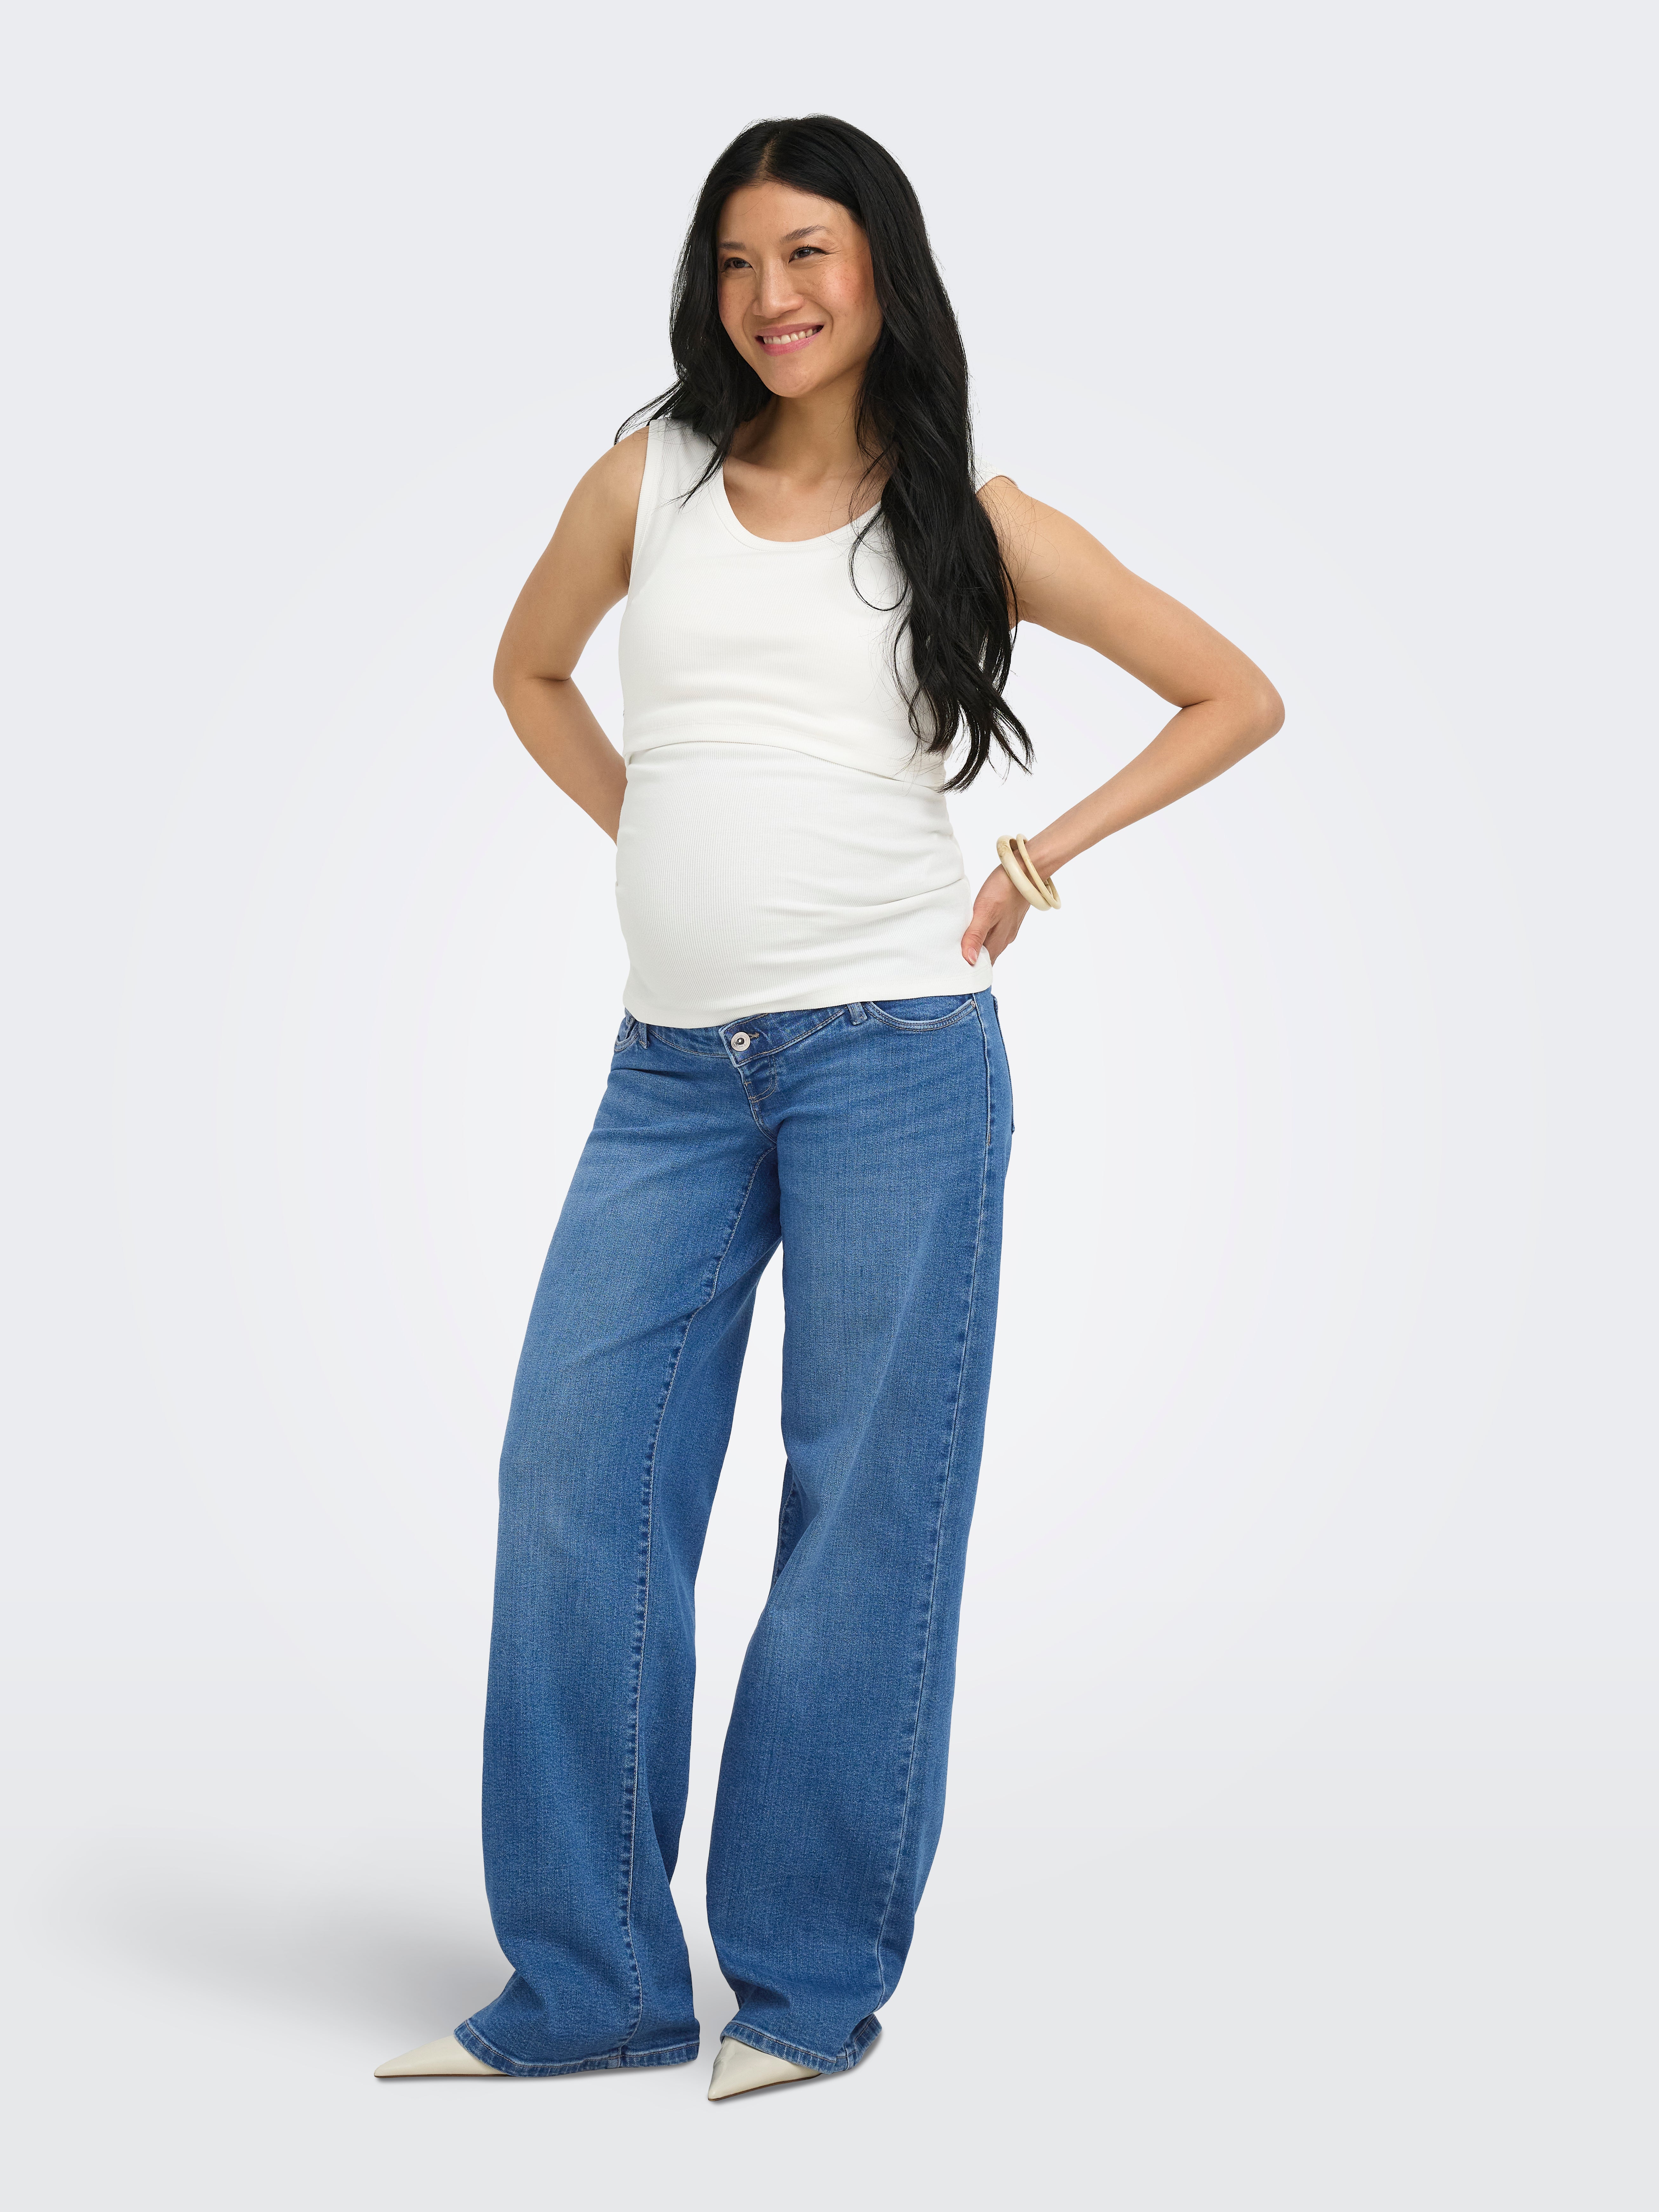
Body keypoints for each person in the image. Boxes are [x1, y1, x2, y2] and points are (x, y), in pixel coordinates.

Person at [375, 113, 1281, 2100]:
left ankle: (799, 1991)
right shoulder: (648, 480)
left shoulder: (975, 518)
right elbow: (531, 675)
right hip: (670, 1079)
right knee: (572, 1488)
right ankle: (595, 1988)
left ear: (881, 271)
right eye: (735, 260)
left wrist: (1040, 857)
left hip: (899, 1067)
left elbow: (1235, 693)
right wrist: (656, 833)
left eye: (808, 253)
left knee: (861, 1517)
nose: (769, 295)